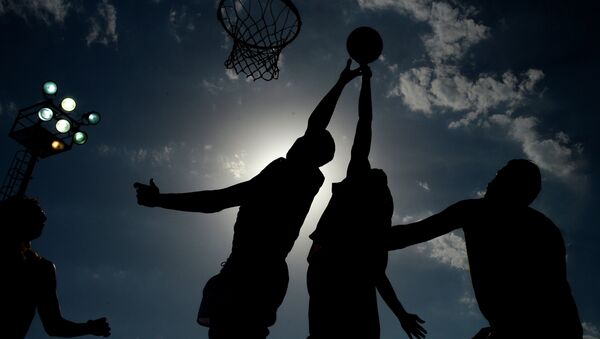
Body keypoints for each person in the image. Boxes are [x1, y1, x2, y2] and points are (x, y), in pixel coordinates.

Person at [134, 60, 362, 339]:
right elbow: (314, 127)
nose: (296, 141)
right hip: (265, 272)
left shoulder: (289, 174)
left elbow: (217, 200)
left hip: (250, 270)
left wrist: (161, 201)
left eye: (303, 140)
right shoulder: (302, 178)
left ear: (309, 151)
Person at [387, 159, 582, 339]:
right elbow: (557, 293)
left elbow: (411, 234)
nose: (492, 180)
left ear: (514, 186)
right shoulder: (546, 228)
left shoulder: (476, 211)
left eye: (500, 176)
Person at [307, 65, 426, 339]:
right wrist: (366, 82)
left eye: (380, 176)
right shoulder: (367, 209)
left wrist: (400, 314)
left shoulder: (371, 218)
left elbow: (377, 276)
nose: (379, 171)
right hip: (333, 271)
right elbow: (365, 122)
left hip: (340, 275)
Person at [1, 196, 111, 339]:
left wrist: (89, 328)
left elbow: (54, 325)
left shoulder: (41, 268)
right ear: (16, 217)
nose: (44, 217)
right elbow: (54, 326)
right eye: (37, 212)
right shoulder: (40, 268)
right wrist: (89, 328)